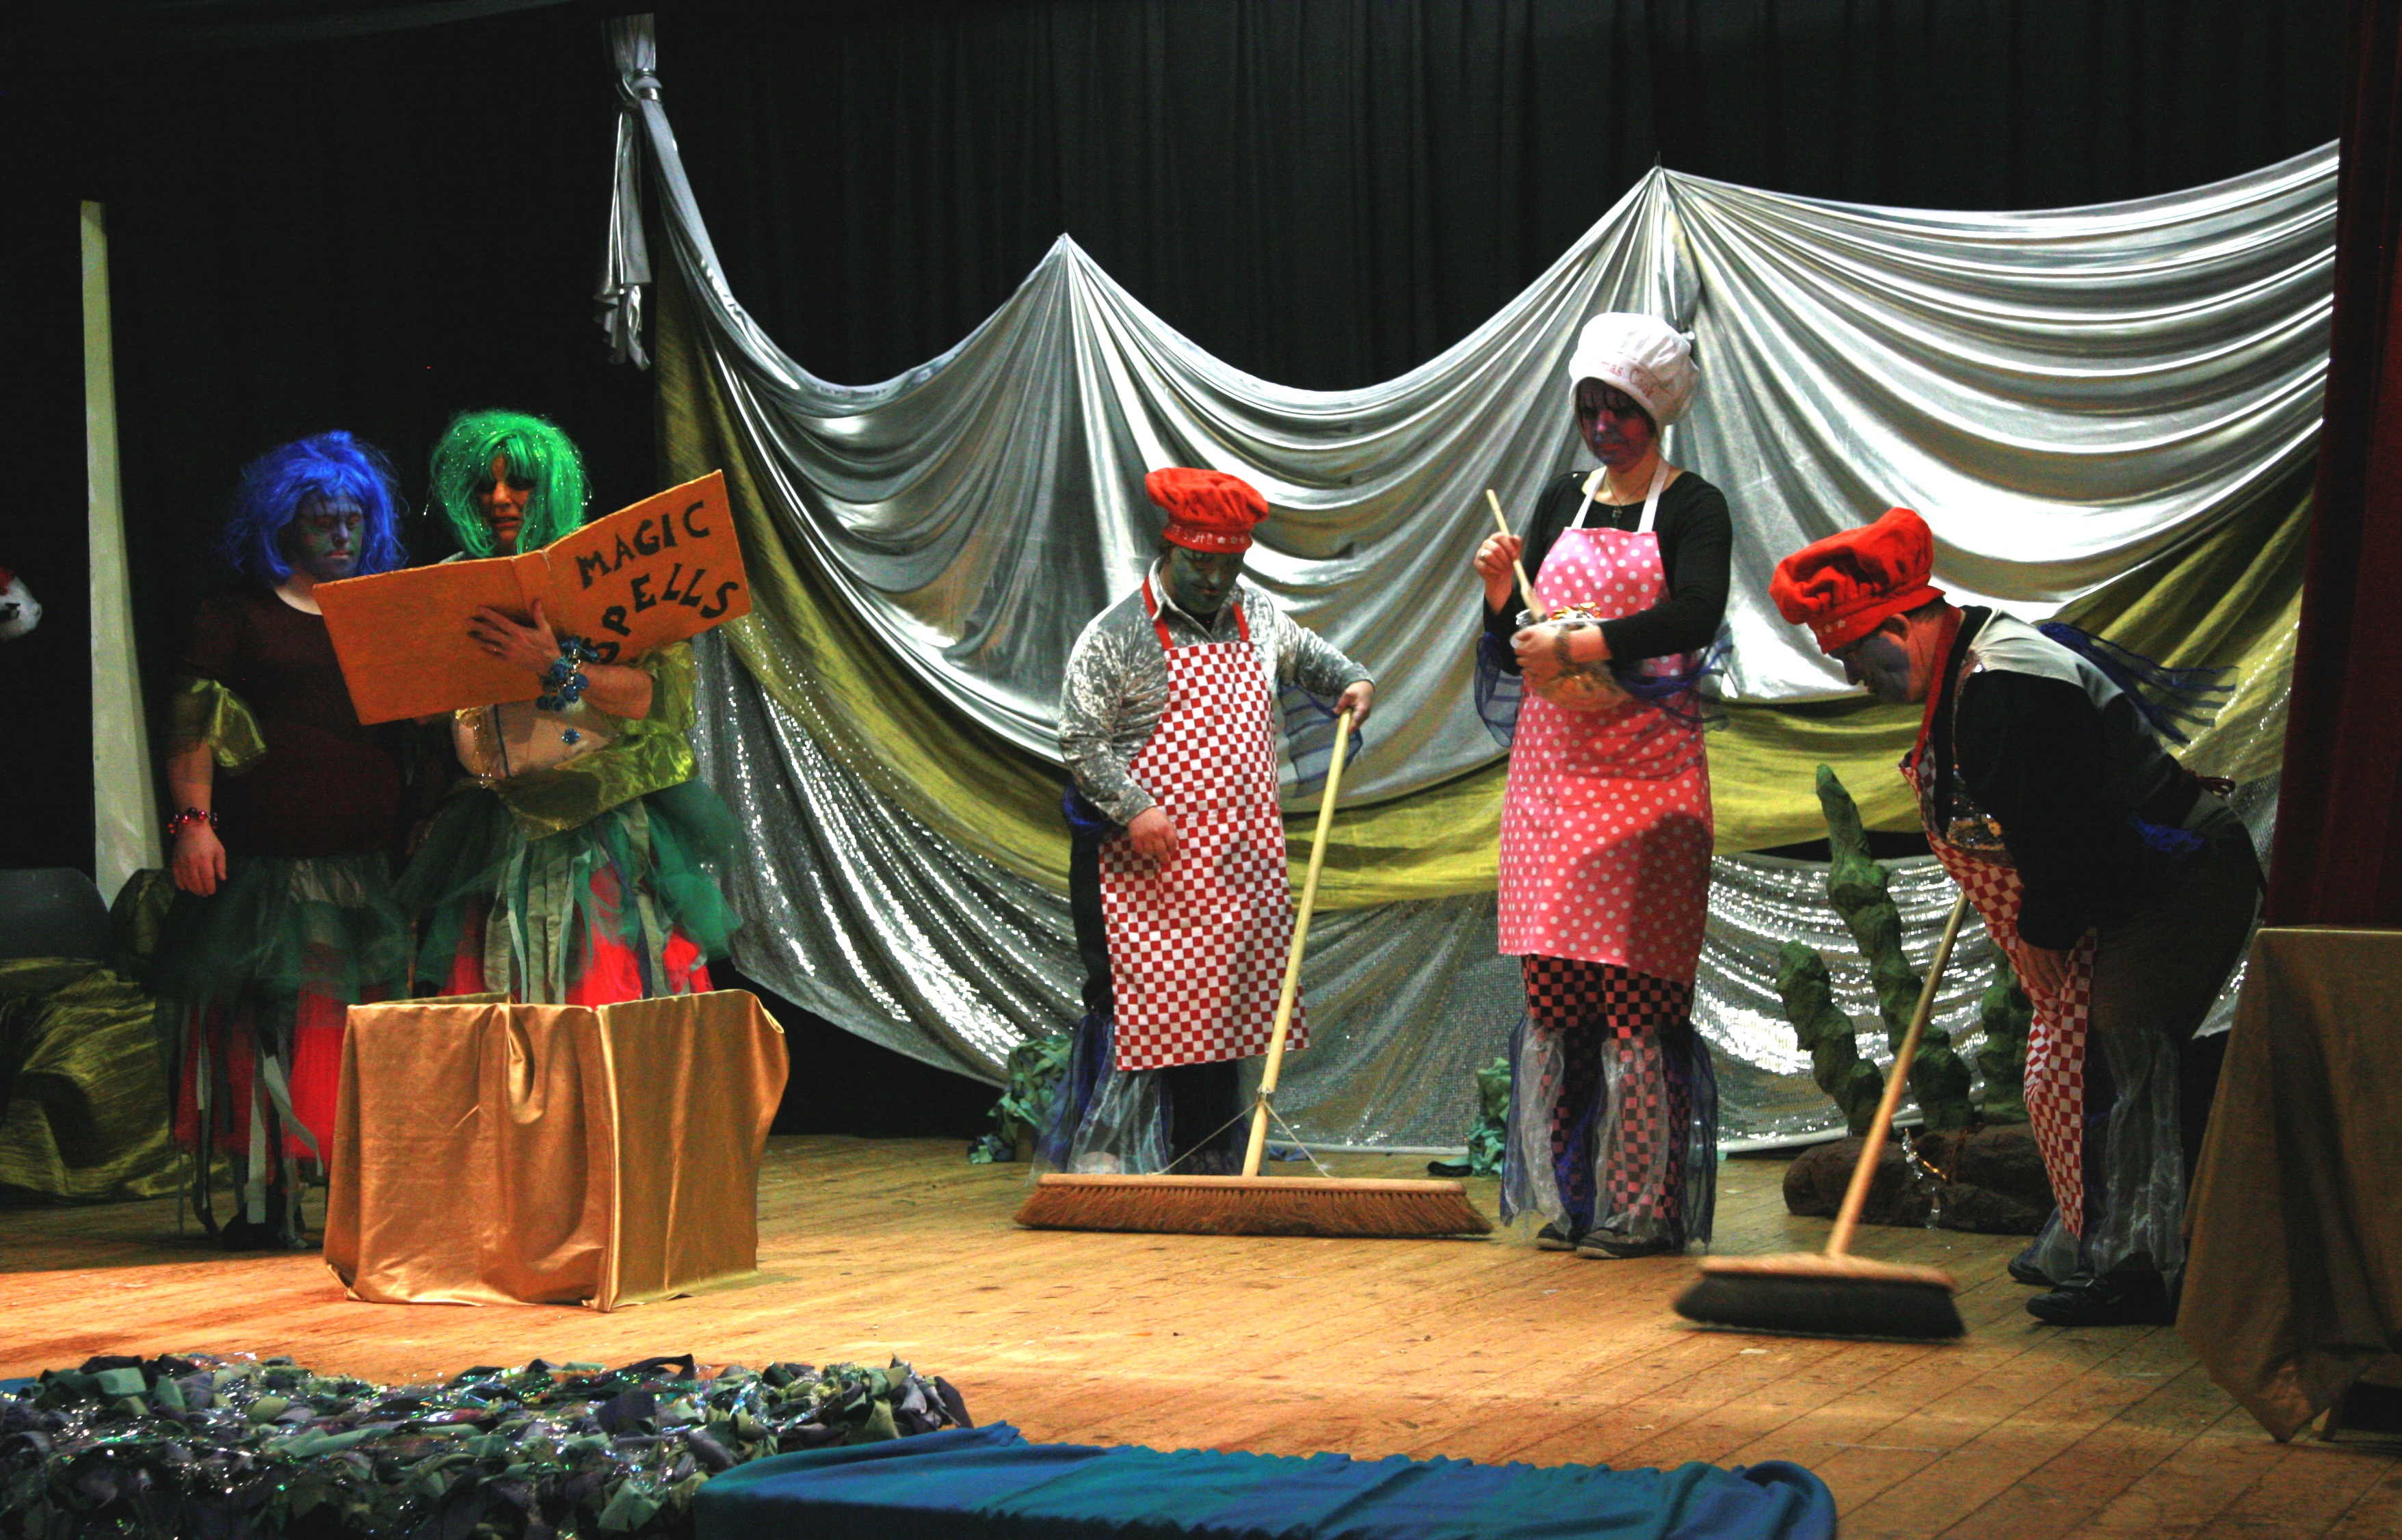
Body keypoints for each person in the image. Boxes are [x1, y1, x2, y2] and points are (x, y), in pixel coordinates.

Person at [1770, 506, 2262, 1326]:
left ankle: (2137, 1267)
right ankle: (2086, 1234)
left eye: (1853, 655)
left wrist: (2040, 934)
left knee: (2119, 1061)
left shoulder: (2001, 684)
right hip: (2111, 878)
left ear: (1896, 625)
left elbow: (2065, 831)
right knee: (2054, 1071)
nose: (1855, 678)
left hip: (2173, 878)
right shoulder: (1969, 661)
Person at [1470, 313, 1730, 1260]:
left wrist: (1584, 641)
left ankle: (1643, 1206)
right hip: (1552, 784)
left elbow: (1695, 610)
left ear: (1654, 413)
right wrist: (1501, 594)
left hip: (1645, 782)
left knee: (1635, 1004)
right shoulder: (1558, 500)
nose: (1602, 428)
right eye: (1589, 411)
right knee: (1559, 1001)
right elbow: (1519, 639)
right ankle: (1571, 1200)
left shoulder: (1693, 506)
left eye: (1619, 411)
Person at [1044, 468, 1375, 1176]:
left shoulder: (1258, 616)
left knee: (1222, 1008)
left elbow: (1317, 661)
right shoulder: (1118, 634)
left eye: (1228, 565)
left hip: (1232, 865)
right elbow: (1080, 740)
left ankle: (1206, 1159)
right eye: (1200, 563)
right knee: (1139, 1004)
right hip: (1141, 869)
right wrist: (1135, 807)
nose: (1214, 579)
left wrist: (1353, 680)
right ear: (1171, 549)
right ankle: (1110, 1155)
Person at [153, 432, 421, 1247]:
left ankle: (354, 1193)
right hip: (267, 866)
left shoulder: (380, 613)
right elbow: (195, 724)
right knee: (265, 1023)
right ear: (282, 524)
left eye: (352, 518)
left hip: (365, 864)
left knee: (345, 1027)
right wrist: (193, 824)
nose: (340, 533)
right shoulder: (239, 614)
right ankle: (267, 1196)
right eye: (320, 519)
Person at [395, 410, 739, 1004]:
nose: (500, 498)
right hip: (492, 825)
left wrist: (555, 664)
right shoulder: (450, 583)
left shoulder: (609, 571)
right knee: (498, 1009)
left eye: (519, 482)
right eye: (485, 485)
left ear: (549, 486)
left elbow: (653, 697)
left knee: (600, 998)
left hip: (592, 821)